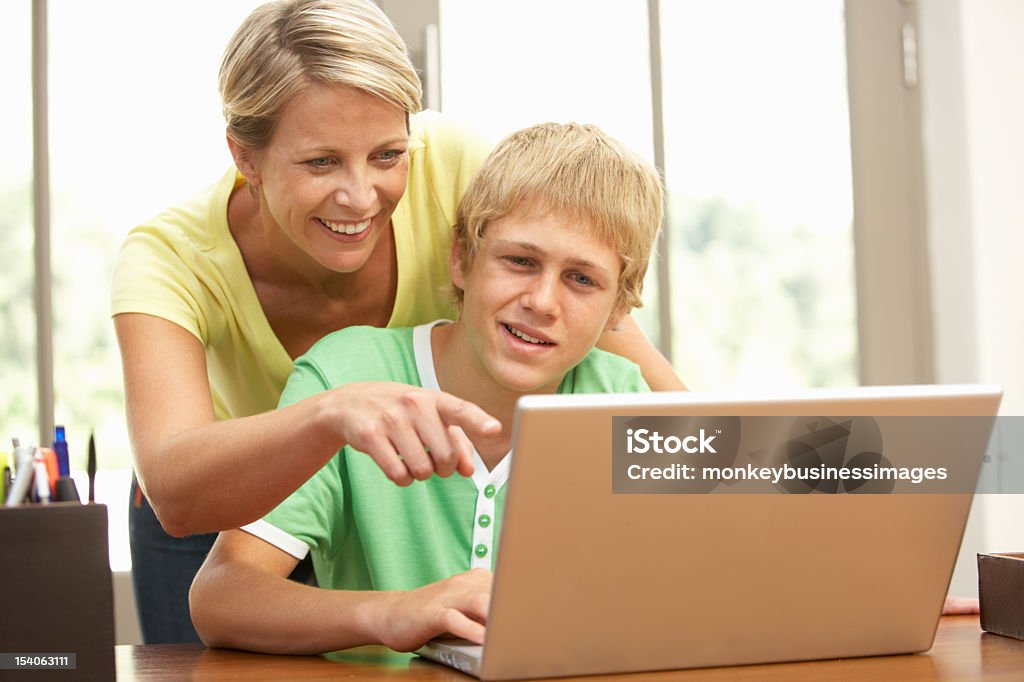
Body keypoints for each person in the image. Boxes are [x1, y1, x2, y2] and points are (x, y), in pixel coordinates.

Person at [111, 0, 682, 645]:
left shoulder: (457, 165)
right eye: (321, 162)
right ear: (246, 156)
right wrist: (334, 414)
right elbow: (184, 508)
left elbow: (591, 285)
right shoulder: (171, 260)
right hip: (220, 487)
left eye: (387, 155)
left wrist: (742, 462)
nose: (360, 196)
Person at [189, 120, 662, 652]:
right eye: (520, 261)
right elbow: (220, 597)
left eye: (582, 279)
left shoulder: (628, 406)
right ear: (462, 259)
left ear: (619, 306)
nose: (542, 303)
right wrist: (390, 612)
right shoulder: (346, 377)